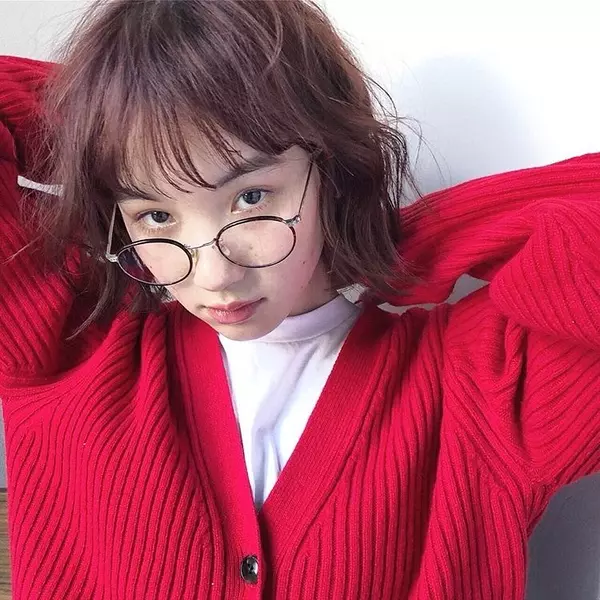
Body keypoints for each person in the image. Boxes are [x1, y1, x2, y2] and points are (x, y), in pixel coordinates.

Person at [0, 1, 598, 598]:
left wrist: (413, 242)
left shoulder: (478, 389)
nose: (215, 274)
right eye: (155, 215)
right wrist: (122, 108)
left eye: (252, 197)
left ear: (331, 170)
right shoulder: (68, 347)